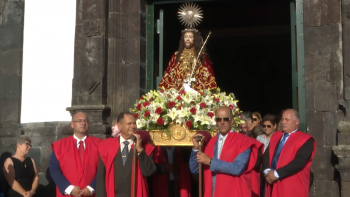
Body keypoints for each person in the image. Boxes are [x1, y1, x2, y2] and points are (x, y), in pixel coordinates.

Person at [189, 106, 258, 197]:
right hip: (211, 192)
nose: (222, 122)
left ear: (232, 121)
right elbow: (194, 169)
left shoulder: (244, 141)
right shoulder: (210, 142)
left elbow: (237, 168)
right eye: (218, 119)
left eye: (226, 119)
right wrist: (196, 149)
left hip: (233, 192)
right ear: (216, 122)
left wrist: (210, 161)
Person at [96, 112, 156, 197]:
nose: (133, 126)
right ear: (119, 126)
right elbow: (101, 178)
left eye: (134, 123)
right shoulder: (106, 146)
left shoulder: (146, 147)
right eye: (129, 123)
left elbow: (148, 172)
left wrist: (139, 150)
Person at [262, 109, 316, 197]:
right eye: (282, 119)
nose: (283, 122)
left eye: (287, 120)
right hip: (272, 183)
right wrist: (267, 172)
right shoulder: (276, 136)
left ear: (296, 122)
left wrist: (276, 174)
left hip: (292, 186)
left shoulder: (306, 140)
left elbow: (298, 162)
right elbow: (266, 156)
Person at [50, 112, 102, 197]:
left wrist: (92, 188)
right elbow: (54, 169)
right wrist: (69, 188)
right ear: (72, 124)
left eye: (85, 121)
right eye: (79, 121)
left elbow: (103, 169)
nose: (83, 123)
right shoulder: (59, 146)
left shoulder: (99, 144)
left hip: (92, 194)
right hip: (67, 194)